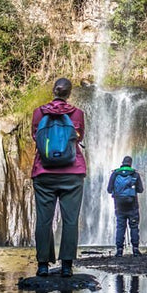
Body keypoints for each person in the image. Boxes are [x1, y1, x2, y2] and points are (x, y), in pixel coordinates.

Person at [31, 78, 86, 278]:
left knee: (44, 220)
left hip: (44, 172)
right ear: (69, 93)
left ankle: (43, 265)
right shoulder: (78, 113)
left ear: (53, 90)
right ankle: (66, 266)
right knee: (70, 220)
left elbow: (35, 136)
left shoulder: (38, 112)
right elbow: (79, 138)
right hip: (72, 173)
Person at [107, 155, 144, 257]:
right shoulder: (135, 174)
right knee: (134, 226)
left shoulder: (115, 173)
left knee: (120, 227)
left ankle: (119, 250)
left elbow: (109, 189)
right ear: (130, 163)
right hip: (133, 205)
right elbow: (140, 190)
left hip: (119, 205)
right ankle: (135, 249)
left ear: (122, 163)